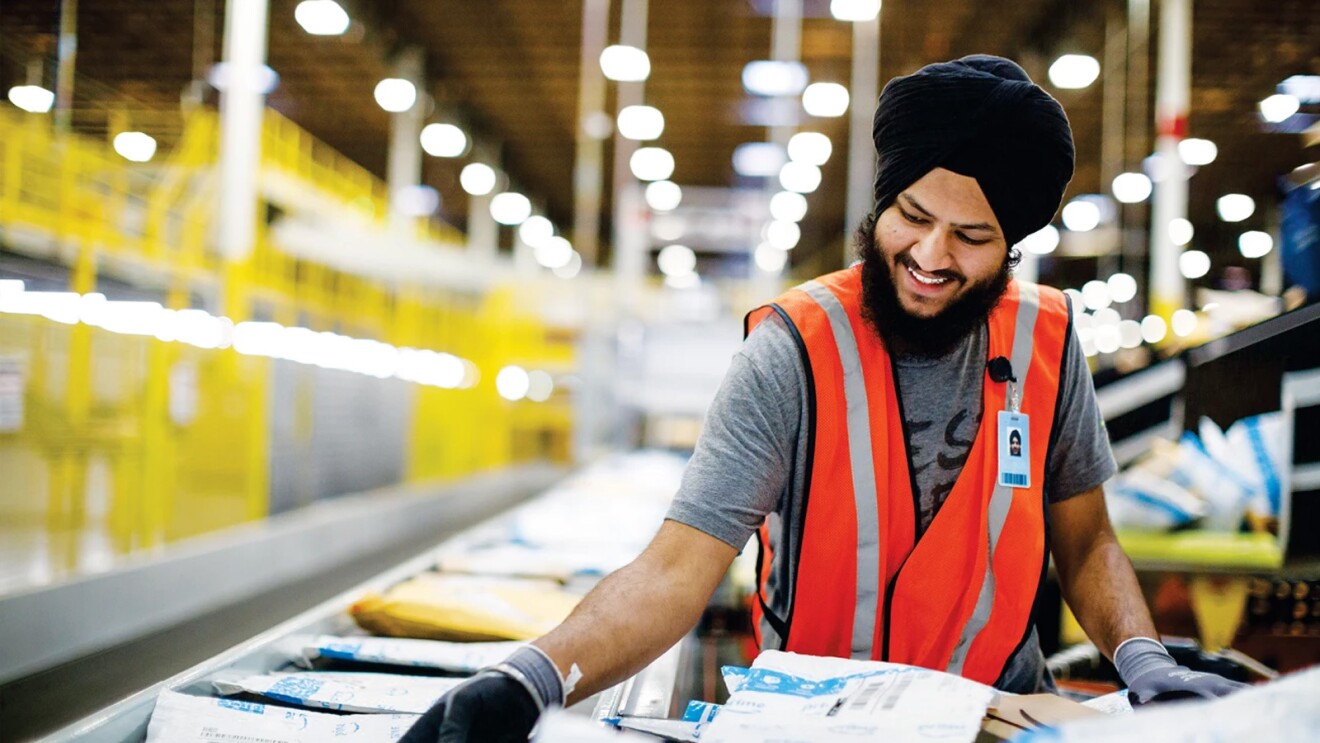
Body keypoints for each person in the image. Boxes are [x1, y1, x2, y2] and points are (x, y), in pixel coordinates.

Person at [400, 55, 1244, 743]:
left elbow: (1086, 537)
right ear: (884, 201)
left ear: (1011, 246)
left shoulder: (1049, 339)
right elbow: (676, 568)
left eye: (972, 236)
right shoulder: (794, 350)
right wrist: (532, 677)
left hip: (1005, 716)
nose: (931, 253)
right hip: (818, 724)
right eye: (913, 215)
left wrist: (1142, 657)